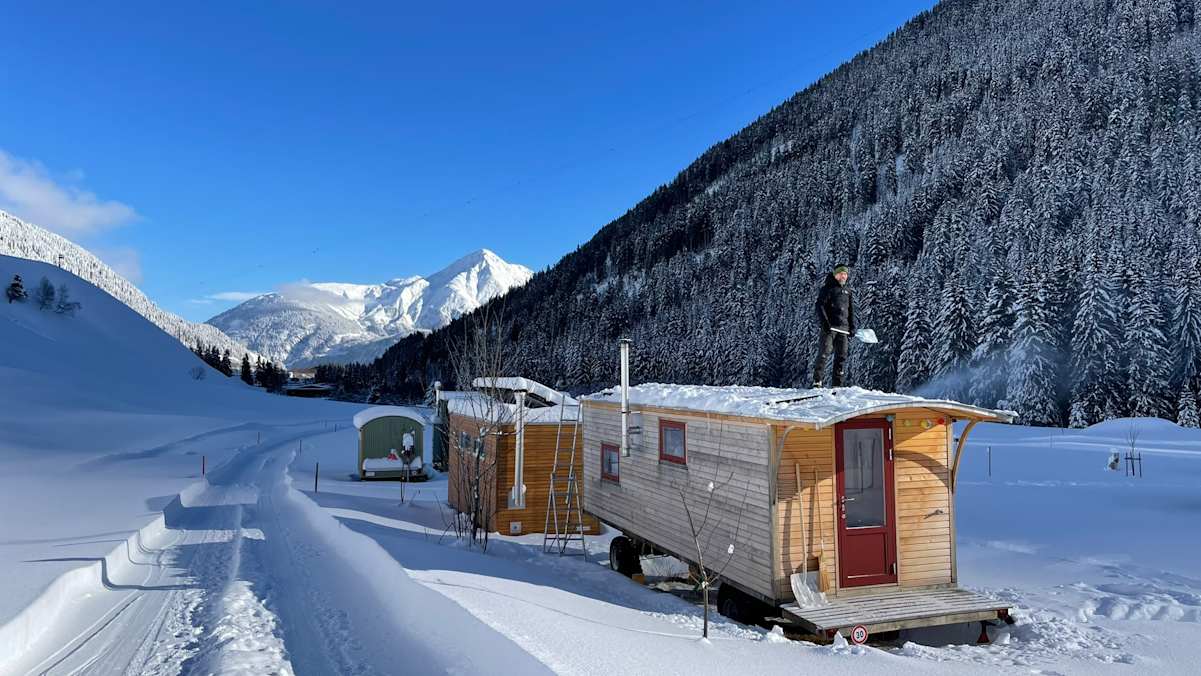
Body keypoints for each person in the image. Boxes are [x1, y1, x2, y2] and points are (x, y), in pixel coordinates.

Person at [812, 264, 854, 388]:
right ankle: (817, 381)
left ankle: (837, 384)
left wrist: (852, 327)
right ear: (835, 274)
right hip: (830, 328)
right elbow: (819, 306)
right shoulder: (827, 288)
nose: (844, 276)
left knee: (841, 356)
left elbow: (851, 310)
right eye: (841, 274)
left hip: (844, 329)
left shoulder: (848, 291)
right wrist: (825, 323)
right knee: (824, 353)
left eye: (845, 274)